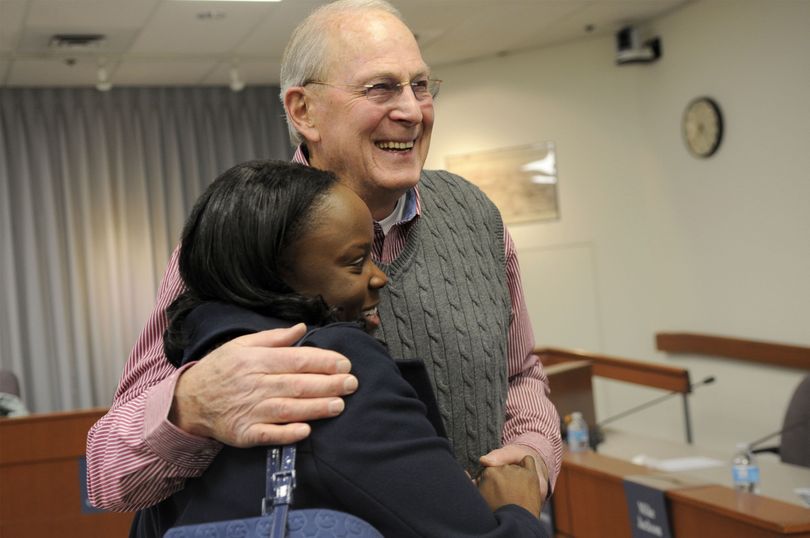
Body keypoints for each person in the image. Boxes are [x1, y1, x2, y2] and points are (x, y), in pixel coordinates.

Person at [86, 0, 562, 512]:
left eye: (420, 86)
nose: (411, 111)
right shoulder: (241, 240)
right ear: (302, 110)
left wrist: (532, 461)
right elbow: (109, 475)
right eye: (380, 88)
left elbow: (520, 376)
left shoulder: (476, 216)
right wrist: (189, 406)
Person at [131, 159, 545, 537]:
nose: (379, 278)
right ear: (276, 275)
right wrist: (518, 508)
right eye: (355, 262)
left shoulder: (191, 377)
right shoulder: (336, 367)